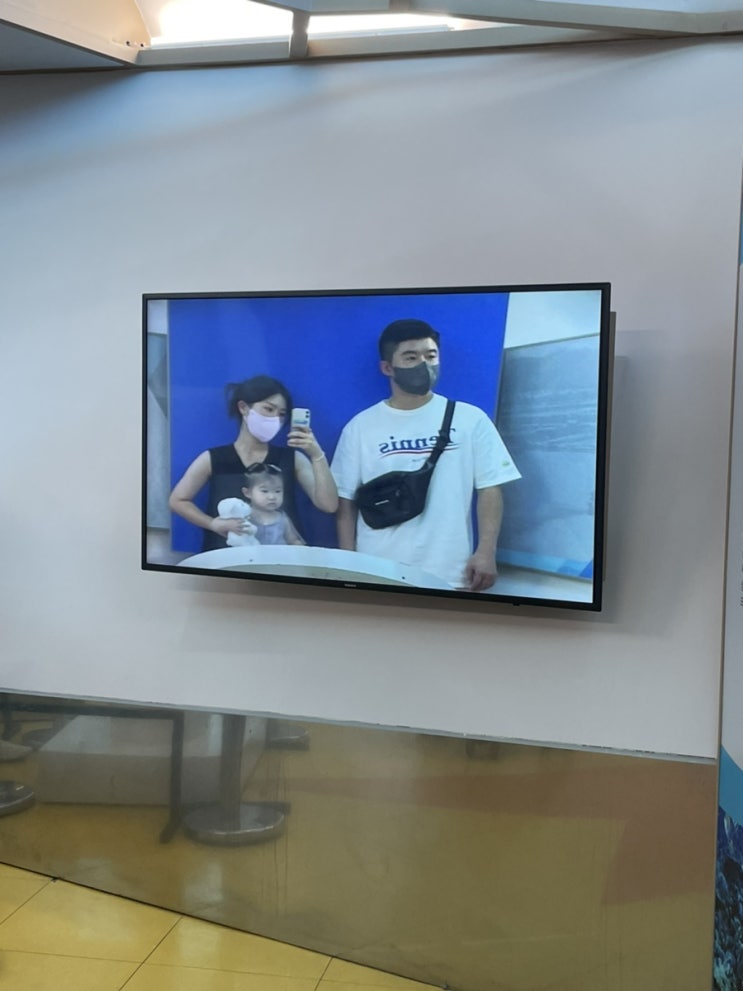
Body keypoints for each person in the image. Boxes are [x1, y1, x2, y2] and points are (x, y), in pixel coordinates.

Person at [331, 319, 520, 591]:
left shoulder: (470, 419)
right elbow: (345, 500)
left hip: (450, 571)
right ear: (387, 368)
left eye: (430, 356)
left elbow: (490, 487)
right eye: (410, 357)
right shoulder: (360, 427)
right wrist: (349, 563)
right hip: (378, 569)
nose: (423, 364)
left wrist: (486, 551)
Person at [169, 374, 337, 551]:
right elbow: (178, 500)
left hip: (281, 559)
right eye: (268, 409)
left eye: (281, 414)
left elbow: (329, 505)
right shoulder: (213, 458)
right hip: (224, 558)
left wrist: (316, 454)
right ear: (243, 407)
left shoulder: (292, 459)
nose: (275, 419)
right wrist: (212, 524)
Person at [238, 463, 305, 546]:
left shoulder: (282, 518)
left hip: (279, 554)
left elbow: (293, 540)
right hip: (252, 554)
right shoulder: (243, 516)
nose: (272, 497)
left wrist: (299, 547)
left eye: (277, 491)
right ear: (247, 493)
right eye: (265, 491)